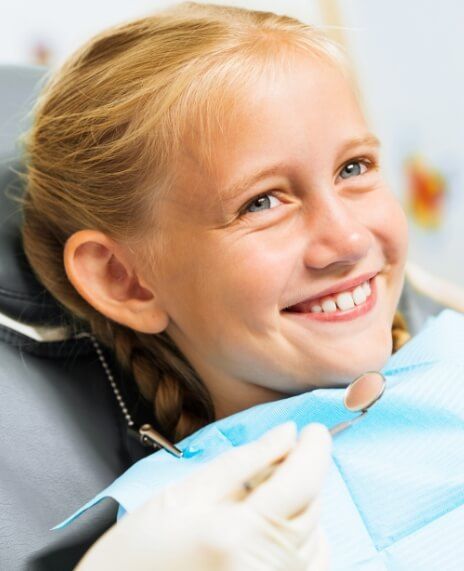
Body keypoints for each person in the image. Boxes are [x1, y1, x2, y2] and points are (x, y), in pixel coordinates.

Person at [19, 2, 412, 568]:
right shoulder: (168, 542)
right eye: (262, 202)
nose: (348, 241)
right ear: (125, 280)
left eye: (353, 168)